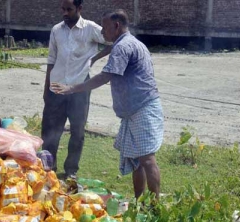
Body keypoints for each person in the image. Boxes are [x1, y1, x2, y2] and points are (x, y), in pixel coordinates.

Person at [51, 10, 164, 199]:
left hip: (142, 109)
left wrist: (72, 88)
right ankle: (139, 202)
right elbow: (112, 58)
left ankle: (155, 208)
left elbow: (105, 76)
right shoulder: (131, 42)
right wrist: (95, 58)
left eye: (105, 27)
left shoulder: (123, 47)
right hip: (134, 111)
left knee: (147, 160)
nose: (102, 32)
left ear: (116, 25)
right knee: (138, 161)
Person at [43, 0, 111, 179]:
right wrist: (46, 89)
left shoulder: (91, 28)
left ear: (79, 9)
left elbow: (113, 40)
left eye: (69, 9)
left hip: (79, 88)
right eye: (62, 9)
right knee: (50, 131)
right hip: (56, 87)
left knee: (77, 131)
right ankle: (48, 169)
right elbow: (51, 60)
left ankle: (71, 171)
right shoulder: (56, 30)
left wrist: (95, 58)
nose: (64, 13)